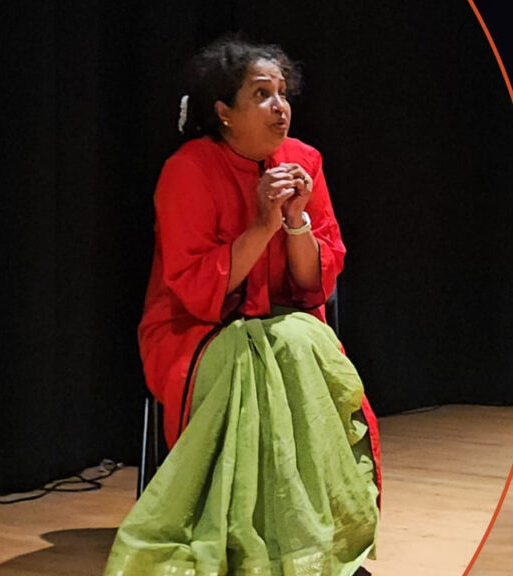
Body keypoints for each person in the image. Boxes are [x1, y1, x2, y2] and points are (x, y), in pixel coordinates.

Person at [103, 35, 380, 576]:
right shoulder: (188, 170)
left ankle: (313, 543)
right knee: (256, 364)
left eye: (283, 93)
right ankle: (253, 543)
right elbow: (194, 293)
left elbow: (313, 285)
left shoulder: (304, 161)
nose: (281, 107)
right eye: (262, 94)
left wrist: (295, 221)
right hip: (193, 331)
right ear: (224, 112)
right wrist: (262, 225)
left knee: (300, 345)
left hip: (285, 324)